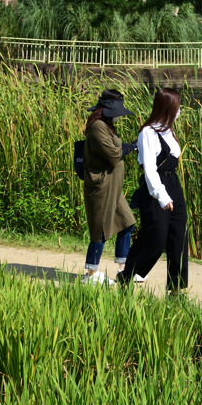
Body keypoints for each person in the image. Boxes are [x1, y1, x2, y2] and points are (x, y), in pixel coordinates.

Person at [118, 88, 188, 291]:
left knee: (178, 237)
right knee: (156, 237)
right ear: (168, 107)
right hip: (155, 189)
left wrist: (172, 194)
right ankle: (128, 274)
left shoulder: (169, 131)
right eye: (177, 106)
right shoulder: (148, 132)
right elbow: (149, 169)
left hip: (174, 185)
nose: (179, 110)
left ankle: (176, 288)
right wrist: (162, 196)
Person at [82, 89, 137, 285]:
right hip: (102, 186)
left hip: (113, 187)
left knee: (127, 222)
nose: (119, 116)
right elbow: (114, 154)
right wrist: (132, 146)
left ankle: (124, 268)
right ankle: (91, 273)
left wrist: (129, 146)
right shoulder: (97, 126)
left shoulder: (107, 125)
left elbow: (115, 151)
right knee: (101, 230)